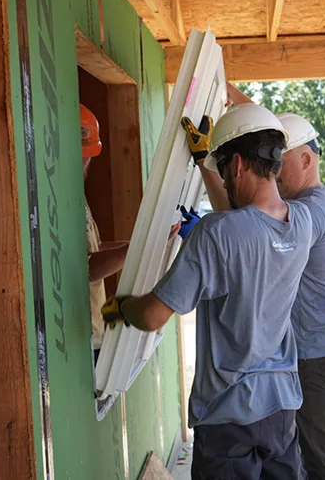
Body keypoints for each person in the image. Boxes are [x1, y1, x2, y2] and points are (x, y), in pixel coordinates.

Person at [102, 103, 312, 479]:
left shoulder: (216, 234)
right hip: (281, 408)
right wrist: (204, 164)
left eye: (224, 171)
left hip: (228, 415)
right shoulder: (302, 223)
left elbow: (152, 316)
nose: (226, 181)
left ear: (238, 165)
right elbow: (246, 222)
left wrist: (122, 307)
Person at [201, 83, 325, 479]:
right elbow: (245, 219)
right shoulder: (302, 206)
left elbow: (244, 217)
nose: (268, 169)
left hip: (312, 352)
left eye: (275, 160)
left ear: (305, 160)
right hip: (313, 348)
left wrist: (213, 162)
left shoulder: (311, 210)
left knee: (316, 453)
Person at [81, 104, 178, 356]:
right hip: (82, 338)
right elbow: (88, 268)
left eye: (87, 155)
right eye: (83, 156)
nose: (86, 162)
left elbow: (94, 250)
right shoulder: (61, 200)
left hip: (92, 329)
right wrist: (141, 246)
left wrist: (141, 241)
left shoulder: (78, 196)